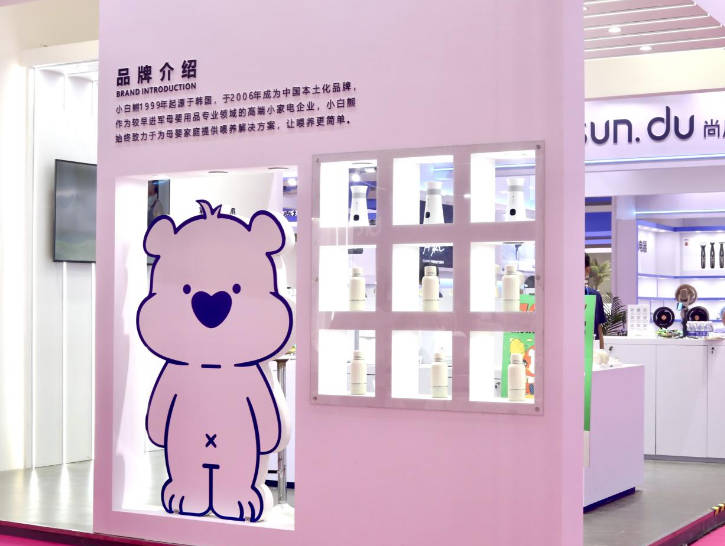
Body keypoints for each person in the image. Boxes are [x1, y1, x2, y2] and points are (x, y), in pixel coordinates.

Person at [585, 254, 606, 350]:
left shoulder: (595, 296)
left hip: (591, 351)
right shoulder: (561, 298)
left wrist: (602, 353)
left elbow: (599, 328)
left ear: (587, 270)